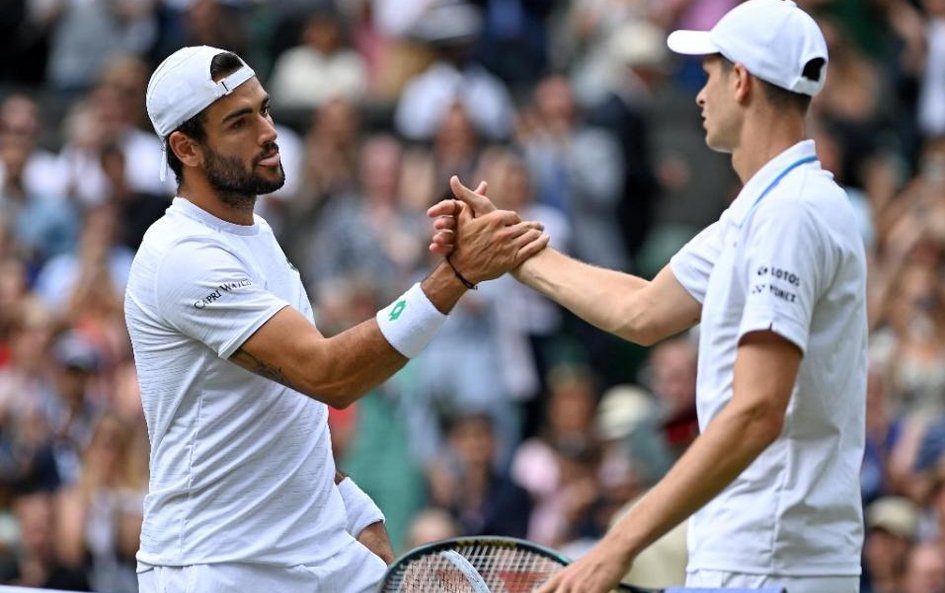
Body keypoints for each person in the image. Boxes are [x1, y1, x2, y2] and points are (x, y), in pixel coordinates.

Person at [430, 2, 869, 592]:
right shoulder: (767, 210)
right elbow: (641, 310)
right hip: (757, 560)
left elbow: (758, 412)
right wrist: (509, 249)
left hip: (771, 564)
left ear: (739, 80)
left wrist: (621, 543)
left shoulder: (788, 215)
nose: (698, 94)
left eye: (709, 73)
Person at [125, 45, 548, 593]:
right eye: (239, 122)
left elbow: (283, 411)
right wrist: (455, 277)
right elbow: (329, 376)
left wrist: (353, 508)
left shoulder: (258, 238)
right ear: (186, 148)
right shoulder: (181, 256)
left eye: (265, 109)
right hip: (217, 568)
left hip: (315, 554)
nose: (268, 132)